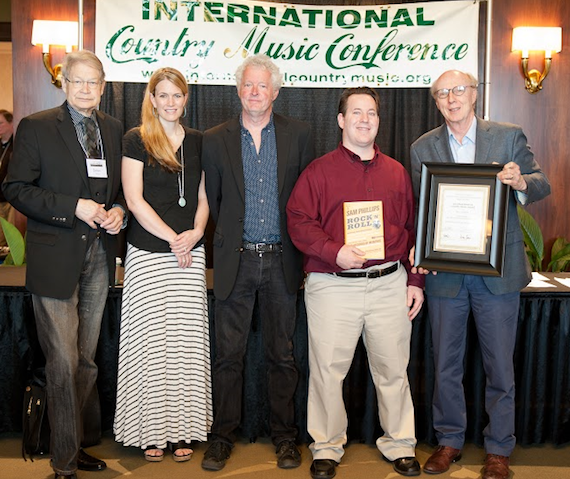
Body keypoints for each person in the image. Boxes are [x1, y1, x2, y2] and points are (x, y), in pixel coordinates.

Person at [410, 70, 551, 479]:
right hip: (445, 274)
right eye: (442, 94)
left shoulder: (507, 136)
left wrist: (519, 180)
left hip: (498, 273)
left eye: (458, 90)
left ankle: (498, 448)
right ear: (436, 102)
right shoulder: (423, 147)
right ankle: (449, 440)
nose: (451, 99)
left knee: (499, 365)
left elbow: (541, 184)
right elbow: (423, 208)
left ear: (474, 94)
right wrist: (421, 243)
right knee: (446, 365)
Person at [287, 87, 424, 479]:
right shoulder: (319, 170)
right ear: (341, 120)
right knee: (328, 370)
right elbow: (298, 220)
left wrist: (414, 280)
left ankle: (399, 443)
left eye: (372, 113)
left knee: (393, 369)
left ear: (378, 121)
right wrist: (334, 251)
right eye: (356, 112)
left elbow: (414, 230)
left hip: (388, 283)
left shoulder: (397, 172)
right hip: (333, 284)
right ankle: (327, 446)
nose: (365, 119)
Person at [2, 50, 125, 479]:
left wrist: (119, 213)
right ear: (65, 84)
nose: (86, 89)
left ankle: (79, 444)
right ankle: (64, 463)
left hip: (99, 257)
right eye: (78, 81)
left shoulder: (112, 129)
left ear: (103, 86)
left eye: (94, 82)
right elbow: (15, 189)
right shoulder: (36, 127)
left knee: (87, 361)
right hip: (55, 258)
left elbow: (120, 191)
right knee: (62, 362)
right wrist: (74, 206)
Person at [201, 54, 314, 471]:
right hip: (237, 260)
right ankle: (222, 437)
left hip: (283, 261)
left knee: (282, 356)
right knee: (228, 356)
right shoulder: (215, 139)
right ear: (238, 89)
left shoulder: (299, 135)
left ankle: (286, 438)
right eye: (248, 85)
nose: (254, 92)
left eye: (262, 86)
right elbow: (210, 202)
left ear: (276, 91)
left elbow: (306, 201)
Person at [113, 67, 212, 462]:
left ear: (186, 99)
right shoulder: (136, 139)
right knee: (151, 345)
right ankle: (149, 431)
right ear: (151, 99)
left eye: (177, 95)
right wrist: (174, 238)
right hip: (151, 255)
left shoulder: (200, 141)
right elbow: (133, 200)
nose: (170, 103)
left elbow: (205, 197)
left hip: (189, 254)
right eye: (163, 95)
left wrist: (196, 233)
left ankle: (183, 428)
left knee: (185, 346)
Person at [0, 109, 15, 247]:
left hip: (10, 201)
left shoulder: (17, 145)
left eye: (1, 123)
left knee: (9, 239)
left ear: (11, 123)